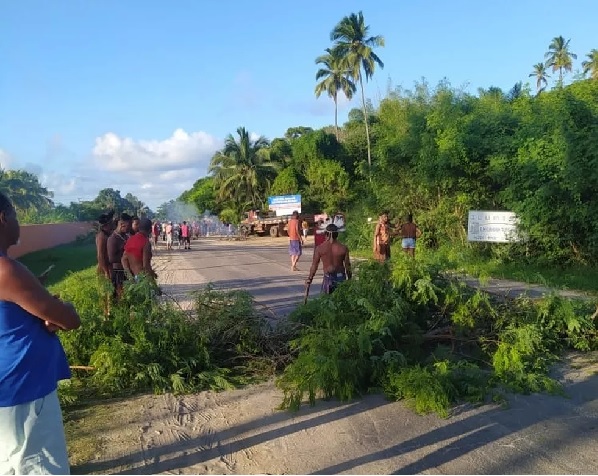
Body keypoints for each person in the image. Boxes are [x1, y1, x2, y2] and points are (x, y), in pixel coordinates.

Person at [0, 191, 81, 474]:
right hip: (23, 388)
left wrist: (35, 308)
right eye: (15, 215)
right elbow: (69, 320)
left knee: (10, 463)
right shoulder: (6, 270)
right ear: (3, 218)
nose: (18, 222)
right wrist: (60, 308)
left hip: (7, 388)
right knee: (37, 466)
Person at [305, 219, 352, 295]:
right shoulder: (343, 248)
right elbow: (347, 266)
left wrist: (309, 279)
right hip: (340, 278)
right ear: (337, 234)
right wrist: (350, 279)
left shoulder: (320, 248)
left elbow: (314, 265)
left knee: (327, 302)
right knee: (341, 302)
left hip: (328, 278)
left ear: (325, 234)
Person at [107, 213, 131, 299]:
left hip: (126, 271)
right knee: (120, 298)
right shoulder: (112, 239)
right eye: (128, 225)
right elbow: (111, 258)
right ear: (122, 224)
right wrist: (126, 258)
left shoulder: (125, 236)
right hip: (118, 273)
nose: (130, 228)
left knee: (127, 297)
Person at [95, 210, 114, 279]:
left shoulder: (108, 234)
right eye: (111, 222)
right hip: (105, 268)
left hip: (110, 267)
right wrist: (106, 271)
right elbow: (100, 255)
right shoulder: (101, 236)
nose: (113, 223)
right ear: (107, 224)